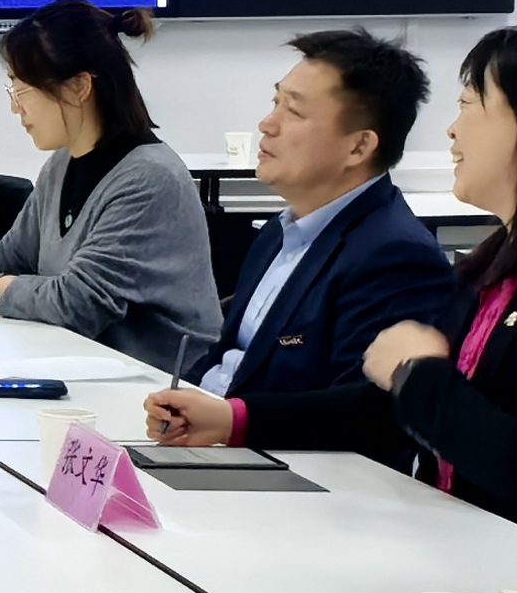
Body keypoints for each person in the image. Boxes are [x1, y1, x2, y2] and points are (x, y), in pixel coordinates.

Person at [216, 19, 517, 541]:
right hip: (464, 545)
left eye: (469, 105)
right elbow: (388, 410)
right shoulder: (500, 263)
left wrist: (416, 373)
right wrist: (235, 419)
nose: (452, 130)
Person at [0, 0, 219, 370]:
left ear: (79, 86)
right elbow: (16, 252)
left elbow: (78, 303)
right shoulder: (64, 162)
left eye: (22, 90)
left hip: (158, 379)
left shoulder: (148, 179)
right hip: (82, 359)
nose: (16, 108)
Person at [143, 28, 454, 451]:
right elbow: (229, 357)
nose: (267, 124)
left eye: (293, 111)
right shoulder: (278, 232)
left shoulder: (395, 255)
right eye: (275, 102)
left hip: (296, 471)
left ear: (359, 147)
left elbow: (372, 412)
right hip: (216, 451)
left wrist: (233, 421)